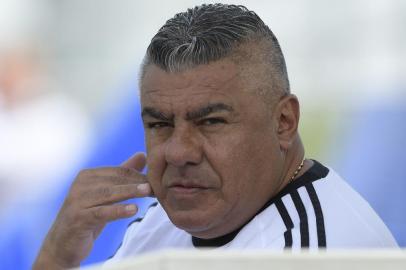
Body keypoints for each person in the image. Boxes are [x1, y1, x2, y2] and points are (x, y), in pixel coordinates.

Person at [33, 3, 398, 269]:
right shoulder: (177, 216)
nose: (179, 152)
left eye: (211, 122)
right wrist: (57, 256)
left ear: (284, 121)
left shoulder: (310, 255)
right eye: (159, 124)